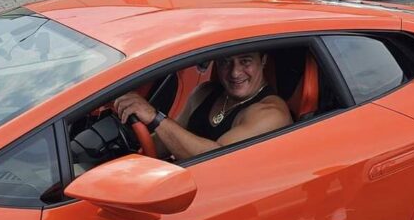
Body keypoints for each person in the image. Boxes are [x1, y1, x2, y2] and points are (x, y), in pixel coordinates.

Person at [114, 51, 292, 161]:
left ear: (263, 61)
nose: (235, 72)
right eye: (225, 62)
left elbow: (216, 159)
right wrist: (123, 154)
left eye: (245, 61)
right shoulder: (203, 92)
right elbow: (165, 142)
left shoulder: (270, 113)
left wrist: (155, 117)